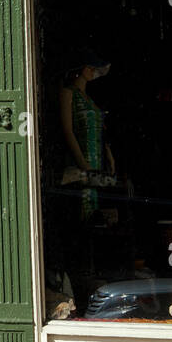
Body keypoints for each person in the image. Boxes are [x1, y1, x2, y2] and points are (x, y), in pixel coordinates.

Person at [58, 49, 114, 219]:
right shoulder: (68, 93)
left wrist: (109, 156)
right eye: (89, 67)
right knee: (83, 207)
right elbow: (67, 131)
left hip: (95, 164)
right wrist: (84, 166)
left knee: (94, 211)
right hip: (81, 166)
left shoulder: (89, 100)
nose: (92, 71)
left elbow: (100, 133)